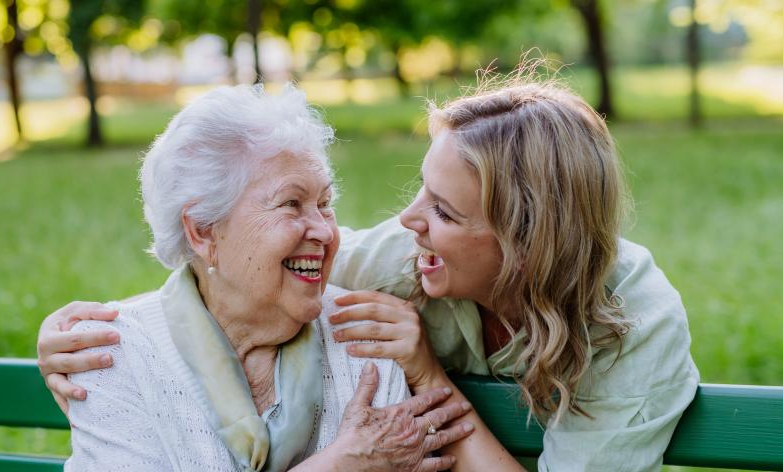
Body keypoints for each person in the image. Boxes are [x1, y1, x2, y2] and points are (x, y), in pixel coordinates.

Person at [39, 68, 699, 471]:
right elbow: (251, 265)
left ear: (523, 244)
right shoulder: (393, 263)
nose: (408, 221)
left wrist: (423, 373)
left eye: (441, 210)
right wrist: (73, 337)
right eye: (421, 190)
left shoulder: (631, 326)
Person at [47, 84, 474, 472]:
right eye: (291, 203)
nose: (325, 231)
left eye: (324, 203)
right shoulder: (110, 353)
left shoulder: (366, 340)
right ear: (202, 231)